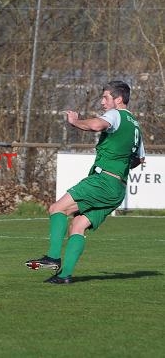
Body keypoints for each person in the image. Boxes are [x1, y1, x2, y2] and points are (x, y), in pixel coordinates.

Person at [25, 80, 145, 284]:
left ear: (118, 99)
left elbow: (97, 124)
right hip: (118, 189)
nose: (102, 102)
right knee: (78, 225)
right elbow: (139, 159)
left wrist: (76, 122)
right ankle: (64, 276)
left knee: (57, 209)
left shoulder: (116, 115)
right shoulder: (136, 126)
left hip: (103, 181)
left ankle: (53, 258)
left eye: (106, 97)